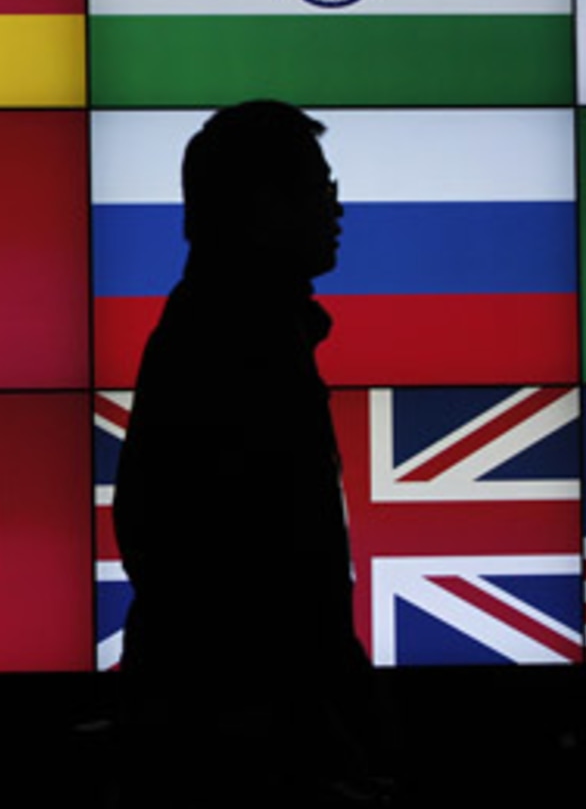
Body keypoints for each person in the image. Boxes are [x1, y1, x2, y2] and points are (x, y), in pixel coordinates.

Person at [113, 100, 386, 801]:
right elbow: (271, 575)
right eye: (320, 187)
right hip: (246, 745)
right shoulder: (243, 344)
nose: (337, 208)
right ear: (264, 207)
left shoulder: (216, 326)